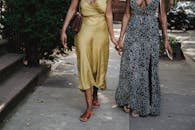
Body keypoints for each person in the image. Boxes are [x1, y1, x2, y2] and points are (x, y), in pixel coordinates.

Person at [61, 0, 117, 122]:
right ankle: (89, 107)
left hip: (101, 31)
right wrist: (63, 29)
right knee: (85, 66)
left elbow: (108, 14)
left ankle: (95, 94)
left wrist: (112, 36)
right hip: (84, 31)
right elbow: (72, 9)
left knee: (97, 66)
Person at [114, 0, 172, 117]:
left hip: (151, 35)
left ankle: (140, 105)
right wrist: (121, 38)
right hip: (133, 33)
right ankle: (130, 100)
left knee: (146, 68)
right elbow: (127, 14)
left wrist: (166, 39)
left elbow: (162, 16)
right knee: (131, 67)